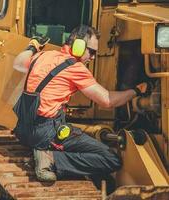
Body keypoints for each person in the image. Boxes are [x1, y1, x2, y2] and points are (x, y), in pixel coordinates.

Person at [12, 25, 149, 191]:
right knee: (110, 159)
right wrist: (136, 91)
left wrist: (32, 46)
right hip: (46, 134)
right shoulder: (75, 68)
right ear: (78, 46)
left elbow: (18, 63)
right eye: (91, 52)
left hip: (23, 130)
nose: (93, 57)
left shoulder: (43, 55)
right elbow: (107, 101)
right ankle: (50, 159)